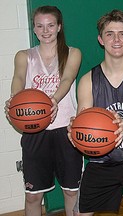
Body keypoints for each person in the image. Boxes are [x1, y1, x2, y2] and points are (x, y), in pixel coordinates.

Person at [69, 9, 123, 215]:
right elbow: (83, 122)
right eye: (109, 34)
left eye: (122, 33)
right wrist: (76, 132)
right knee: (78, 213)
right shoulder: (88, 80)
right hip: (102, 160)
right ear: (101, 39)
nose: (116, 39)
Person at [4, 6, 83, 216]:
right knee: (33, 196)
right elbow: (18, 79)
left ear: (59, 27)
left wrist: (54, 100)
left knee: (71, 192)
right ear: (34, 29)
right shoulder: (24, 56)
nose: (45, 30)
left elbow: (67, 79)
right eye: (40, 26)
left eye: (50, 25)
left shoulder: (72, 53)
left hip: (66, 130)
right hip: (34, 132)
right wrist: (15, 101)